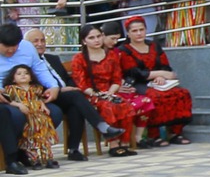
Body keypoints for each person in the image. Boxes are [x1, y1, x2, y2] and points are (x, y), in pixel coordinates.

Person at [3, 23, 114, 160]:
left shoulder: (35, 52)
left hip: (43, 94)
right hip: (16, 96)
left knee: (71, 103)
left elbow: (44, 71)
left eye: (15, 46)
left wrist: (57, 87)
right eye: (7, 47)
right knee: (20, 114)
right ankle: (21, 151)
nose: (11, 50)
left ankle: (76, 147)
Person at [114, 17, 194, 146]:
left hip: (159, 82)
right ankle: (153, 135)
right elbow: (134, 73)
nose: (139, 33)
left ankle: (175, 133)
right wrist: (160, 74)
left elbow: (165, 67)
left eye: (141, 30)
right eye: (134, 31)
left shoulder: (154, 46)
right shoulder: (124, 50)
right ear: (128, 33)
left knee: (181, 94)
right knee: (155, 97)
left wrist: (161, 76)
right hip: (137, 83)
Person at [71, 25, 140, 155]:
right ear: (84, 41)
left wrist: (110, 93)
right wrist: (97, 94)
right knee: (107, 106)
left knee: (124, 105)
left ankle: (124, 143)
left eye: (98, 36)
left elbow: (116, 79)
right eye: (91, 38)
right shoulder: (79, 59)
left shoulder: (112, 55)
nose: (96, 40)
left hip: (110, 92)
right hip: (90, 94)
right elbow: (81, 84)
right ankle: (114, 145)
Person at [1, 63, 59, 169]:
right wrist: (19, 105)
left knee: (44, 137)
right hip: (28, 117)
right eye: (19, 74)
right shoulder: (10, 89)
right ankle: (34, 160)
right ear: (13, 79)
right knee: (31, 138)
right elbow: (8, 101)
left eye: (26, 73)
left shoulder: (36, 88)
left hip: (40, 117)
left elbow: (39, 99)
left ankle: (48, 159)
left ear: (31, 77)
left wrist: (43, 105)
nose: (23, 75)